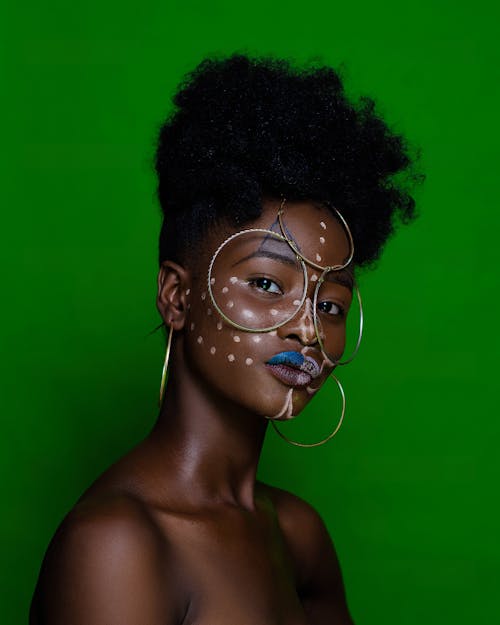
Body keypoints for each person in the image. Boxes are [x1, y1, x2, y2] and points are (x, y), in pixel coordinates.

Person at [30, 54, 419, 624]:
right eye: (266, 283)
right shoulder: (116, 545)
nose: (307, 327)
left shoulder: (296, 536)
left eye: (330, 304)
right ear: (177, 297)